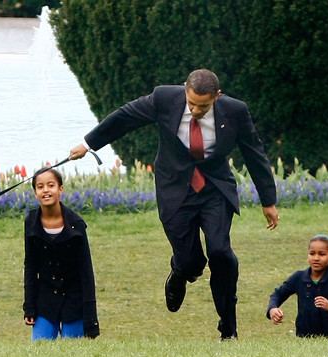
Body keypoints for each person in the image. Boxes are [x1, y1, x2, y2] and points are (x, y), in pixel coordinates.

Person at [69, 69, 279, 340]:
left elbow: (254, 152)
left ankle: (228, 327)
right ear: (184, 90)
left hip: (214, 190)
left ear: (217, 96)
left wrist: (268, 200)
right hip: (175, 190)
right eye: (191, 103)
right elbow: (125, 118)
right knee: (192, 261)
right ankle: (180, 271)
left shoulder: (235, 111)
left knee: (220, 253)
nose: (195, 110)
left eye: (202, 106)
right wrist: (88, 144)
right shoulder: (164, 98)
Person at [23, 168, 100, 340]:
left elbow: (86, 272)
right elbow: (30, 266)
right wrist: (29, 306)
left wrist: (91, 318)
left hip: (74, 300)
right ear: (35, 192)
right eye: (40, 187)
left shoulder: (77, 224)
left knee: (73, 354)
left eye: (51, 185)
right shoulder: (30, 222)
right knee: (39, 350)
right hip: (45, 301)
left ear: (60, 189)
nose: (46, 191)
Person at [266, 234, 328, 338]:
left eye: (322, 254)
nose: (316, 258)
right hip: (305, 339)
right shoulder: (299, 277)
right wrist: (272, 309)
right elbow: (277, 294)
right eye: (312, 253)